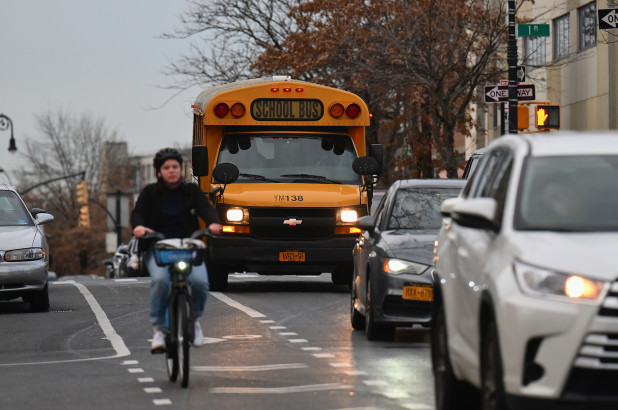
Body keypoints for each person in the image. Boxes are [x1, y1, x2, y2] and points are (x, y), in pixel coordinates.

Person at [131, 147, 221, 353]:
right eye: (166, 167)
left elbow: (206, 208)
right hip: (159, 248)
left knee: (200, 282)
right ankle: (159, 330)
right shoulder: (149, 193)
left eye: (175, 167)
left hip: (188, 247)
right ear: (159, 172)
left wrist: (214, 223)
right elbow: (138, 214)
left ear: (181, 169)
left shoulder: (191, 191)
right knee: (161, 281)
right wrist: (139, 227)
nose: (171, 170)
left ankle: (194, 321)